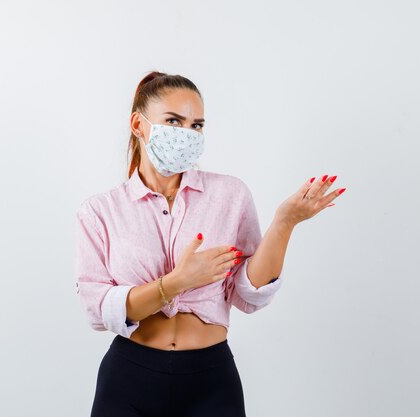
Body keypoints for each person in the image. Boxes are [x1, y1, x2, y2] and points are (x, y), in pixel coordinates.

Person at [74, 71, 347, 416]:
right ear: (139, 125)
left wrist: (284, 223)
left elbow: (248, 294)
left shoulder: (230, 195)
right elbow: (97, 311)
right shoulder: (100, 211)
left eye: (196, 125)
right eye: (173, 121)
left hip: (210, 381)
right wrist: (177, 282)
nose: (187, 134)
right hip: (128, 379)